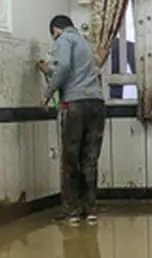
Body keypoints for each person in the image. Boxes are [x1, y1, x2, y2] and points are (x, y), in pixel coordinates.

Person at [38, 15, 106, 225]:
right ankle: (91, 210)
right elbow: (78, 72)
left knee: (70, 159)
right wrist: (50, 70)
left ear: (56, 30)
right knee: (90, 158)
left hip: (75, 105)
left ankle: (72, 212)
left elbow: (65, 67)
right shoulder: (84, 42)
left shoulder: (63, 40)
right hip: (96, 104)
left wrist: (47, 94)